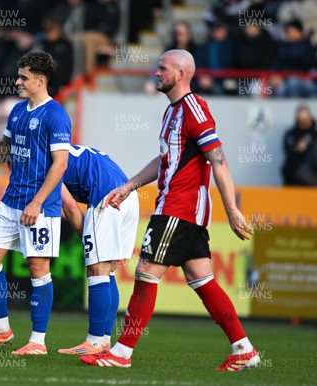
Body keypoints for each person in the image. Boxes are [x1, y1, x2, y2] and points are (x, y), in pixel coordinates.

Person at [80, 49, 260, 371]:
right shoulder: (171, 113)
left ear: (181, 74)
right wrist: (129, 185)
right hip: (182, 209)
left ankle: (121, 353)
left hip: (179, 208)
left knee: (146, 272)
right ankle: (243, 349)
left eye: (162, 68)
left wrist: (232, 208)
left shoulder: (195, 109)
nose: (156, 72)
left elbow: (217, 159)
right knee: (201, 279)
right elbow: (165, 160)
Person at [0, 51, 71, 355]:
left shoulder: (56, 115)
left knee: (38, 268)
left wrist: (37, 203)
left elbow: (60, 164)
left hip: (39, 207)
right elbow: (4, 152)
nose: (17, 81)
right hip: (11, 199)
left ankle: (38, 342)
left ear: (40, 80)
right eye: (18, 75)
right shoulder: (17, 111)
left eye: (23, 77)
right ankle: (1, 330)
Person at [57, 144, 139, 355]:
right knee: (107, 271)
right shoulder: (63, 148)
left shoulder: (46, 160)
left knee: (96, 270)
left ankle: (93, 343)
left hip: (107, 196)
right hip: (128, 196)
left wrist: (87, 241)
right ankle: (103, 342)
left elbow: (70, 206)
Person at [281, 105, 317, 185]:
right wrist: (298, 148)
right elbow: (288, 150)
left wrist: (306, 148)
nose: (302, 120)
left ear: (310, 117)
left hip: (311, 175)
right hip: (292, 173)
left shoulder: (314, 135)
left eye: (304, 118)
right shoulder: (291, 133)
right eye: (300, 118)